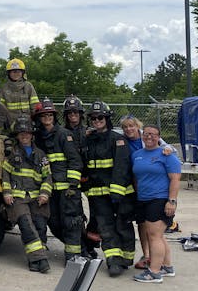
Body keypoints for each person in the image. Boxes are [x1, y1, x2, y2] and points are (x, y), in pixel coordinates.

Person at [83, 100, 135, 277]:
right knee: (106, 227)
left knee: (123, 225)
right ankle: (113, 261)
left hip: (120, 194)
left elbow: (122, 166)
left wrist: (117, 191)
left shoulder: (117, 140)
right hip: (98, 194)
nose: (97, 121)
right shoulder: (89, 140)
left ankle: (126, 259)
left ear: (106, 118)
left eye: (100, 117)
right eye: (93, 118)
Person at [120, 115, 177, 269]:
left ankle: (155, 268)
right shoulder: (124, 141)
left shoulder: (152, 141)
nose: (128, 129)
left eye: (131, 126)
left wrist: (171, 200)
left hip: (158, 195)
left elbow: (171, 155)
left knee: (155, 234)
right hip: (140, 192)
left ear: (138, 127)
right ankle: (154, 259)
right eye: (125, 127)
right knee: (144, 226)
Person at [33, 99, 85, 262]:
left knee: (71, 222)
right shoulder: (37, 137)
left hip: (67, 189)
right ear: (39, 118)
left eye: (50, 115)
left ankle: (74, 255)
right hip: (49, 189)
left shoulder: (64, 134)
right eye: (43, 115)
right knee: (54, 222)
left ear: (54, 117)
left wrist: (72, 185)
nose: (47, 118)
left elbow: (75, 161)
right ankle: (81, 249)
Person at [131, 125, 181, 283]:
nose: (149, 137)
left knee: (154, 236)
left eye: (153, 134)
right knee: (158, 235)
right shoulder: (137, 155)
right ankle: (166, 267)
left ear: (159, 136)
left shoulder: (167, 154)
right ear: (142, 136)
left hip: (159, 199)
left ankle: (154, 272)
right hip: (143, 199)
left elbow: (175, 179)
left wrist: (171, 201)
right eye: (146, 134)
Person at [2, 116, 52, 273]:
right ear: (17, 135)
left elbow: (47, 177)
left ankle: (36, 258)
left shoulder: (41, 155)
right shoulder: (12, 154)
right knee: (26, 226)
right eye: (21, 133)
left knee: (40, 226)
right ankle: (40, 259)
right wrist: (7, 192)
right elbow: (5, 174)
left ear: (32, 134)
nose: (25, 136)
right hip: (18, 198)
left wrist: (44, 194)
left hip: (37, 198)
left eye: (27, 133)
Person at [63, 94, 99, 257]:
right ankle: (84, 246)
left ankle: (91, 245)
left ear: (81, 114)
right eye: (70, 113)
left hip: (90, 179)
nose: (73, 116)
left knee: (98, 214)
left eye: (76, 112)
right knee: (76, 217)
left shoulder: (90, 132)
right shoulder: (62, 133)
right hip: (72, 179)